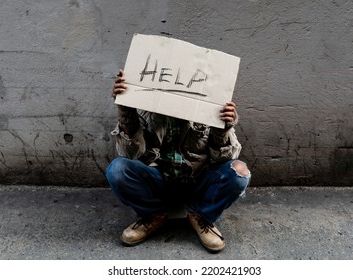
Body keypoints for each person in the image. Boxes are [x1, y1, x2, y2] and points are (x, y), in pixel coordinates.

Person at [106, 69, 251, 253]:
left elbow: (224, 160)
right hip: (159, 181)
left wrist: (223, 127)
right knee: (117, 170)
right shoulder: (145, 106)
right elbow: (130, 155)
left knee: (239, 171)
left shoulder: (209, 107)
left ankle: (201, 216)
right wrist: (125, 109)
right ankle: (153, 215)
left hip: (197, 182)